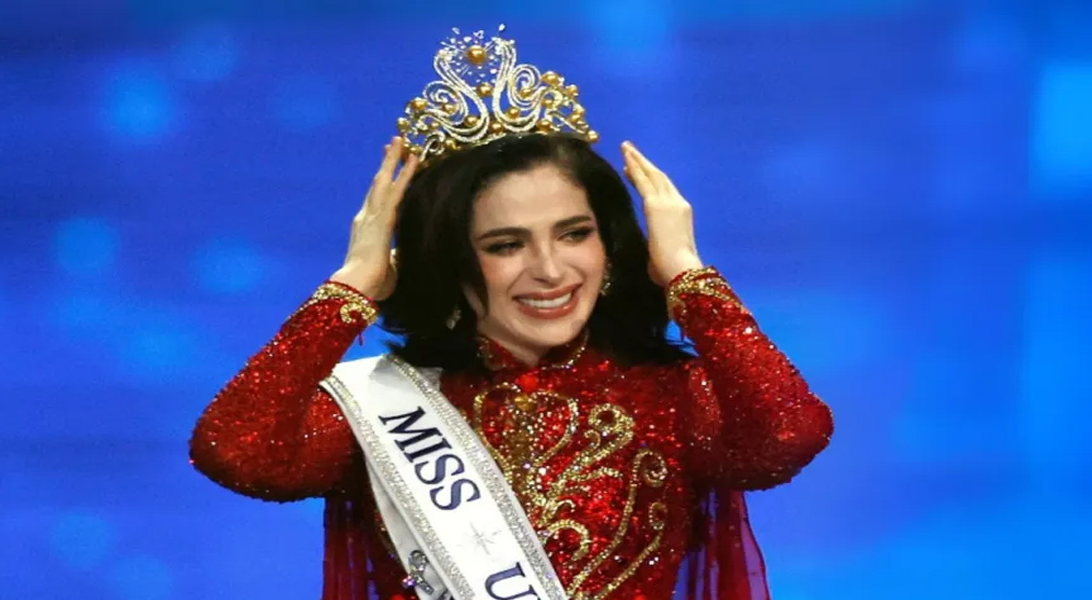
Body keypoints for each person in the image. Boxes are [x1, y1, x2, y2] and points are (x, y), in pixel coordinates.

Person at [189, 28, 833, 600]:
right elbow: (238, 453)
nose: (550, 270)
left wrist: (687, 275)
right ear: (448, 263)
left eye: (574, 234)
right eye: (505, 245)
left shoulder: (672, 394)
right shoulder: (383, 408)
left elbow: (787, 437)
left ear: (610, 247)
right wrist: (353, 284)